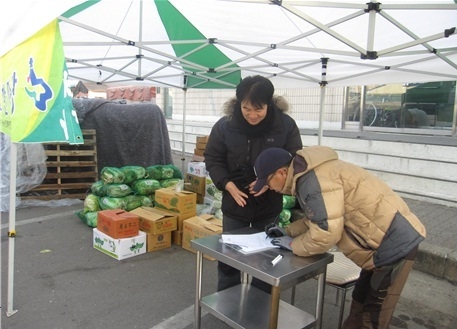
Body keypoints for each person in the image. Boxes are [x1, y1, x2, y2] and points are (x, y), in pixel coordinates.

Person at [252, 146, 426, 329]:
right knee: (359, 303)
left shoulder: (313, 182)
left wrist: (293, 245)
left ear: (282, 172)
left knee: (373, 316)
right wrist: (287, 231)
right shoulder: (309, 175)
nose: (269, 188)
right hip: (377, 245)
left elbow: (326, 232)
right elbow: (320, 217)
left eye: (268, 181)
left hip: (393, 245)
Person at [204, 75, 303, 292]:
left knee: (266, 259)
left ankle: (261, 304)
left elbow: (295, 161)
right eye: (246, 108)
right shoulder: (225, 126)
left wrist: (269, 183)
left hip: (268, 205)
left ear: (269, 104)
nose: (252, 115)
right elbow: (213, 158)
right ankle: (228, 299)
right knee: (229, 258)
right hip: (235, 203)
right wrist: (227, 184)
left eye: (258, 109)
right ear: (239, 104)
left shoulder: (285, 126)